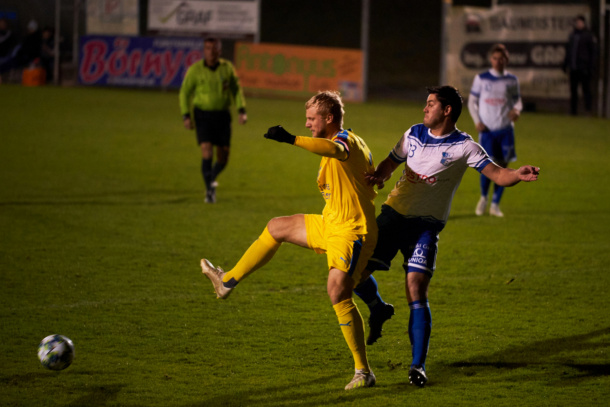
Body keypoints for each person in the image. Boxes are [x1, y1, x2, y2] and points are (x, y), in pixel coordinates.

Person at [353, 86, 540, 388]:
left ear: (447, 110)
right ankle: (378, 308)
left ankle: (417, 366)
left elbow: (496, 173)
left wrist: (517, 173)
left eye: (430, 104)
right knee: (355, 275)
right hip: (392, 216)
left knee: (416, 288)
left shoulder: (464, 146)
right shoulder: (413, 133)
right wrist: (380, 175)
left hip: (426, 227)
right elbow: (391, 161)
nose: (424, 109)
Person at [200, 90, 379, 390]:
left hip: (352, 231)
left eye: (311, 119)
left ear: (329, 118)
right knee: (276, 227)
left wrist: (291, 139)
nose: (307, 124)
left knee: (337, 291)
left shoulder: (344, 142)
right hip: (331, 222)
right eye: (306, 120)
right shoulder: (348, 141)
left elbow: (335, 151)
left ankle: (363, 371)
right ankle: (226, 281)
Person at [179, 37, 247, 203]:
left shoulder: (227, 68)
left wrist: (241, 110)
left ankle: (211, 177)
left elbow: (236, 90)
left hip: (223, 116)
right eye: (208, 48)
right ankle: (210, 190)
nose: (211, 51)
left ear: (219, 50)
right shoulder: (195, 70)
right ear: (204, 50)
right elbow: (184, 93)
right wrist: (186, 115)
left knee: (223, 157)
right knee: (207, 150)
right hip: (203, 115)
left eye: (214, 48)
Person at [468, 43, 522, 218]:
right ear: (491, 59)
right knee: (488, 165)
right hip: (488, 131)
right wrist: (477, 121)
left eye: (502, 58)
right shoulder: (482, 78)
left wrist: (517, 110)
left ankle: (495, 204)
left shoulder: (511, 80)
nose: (498, 61)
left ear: (506, 60)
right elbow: (471, 102)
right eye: (495, 58)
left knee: (504, 166)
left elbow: (518, 101)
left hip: (506, 130)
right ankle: (483, 198)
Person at [563, 15, 598, 116]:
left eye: (580, 22)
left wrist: (591, 67)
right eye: (577, 22)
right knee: (573, 91)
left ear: (583, 23)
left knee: (586, 90)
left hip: (584, 69)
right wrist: (565, 64)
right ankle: (573, 111)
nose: (578, 24)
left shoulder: (588, 36)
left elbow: (593, 53)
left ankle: (588, 110)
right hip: (574, 68)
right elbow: (568, 51)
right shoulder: (572, 35)